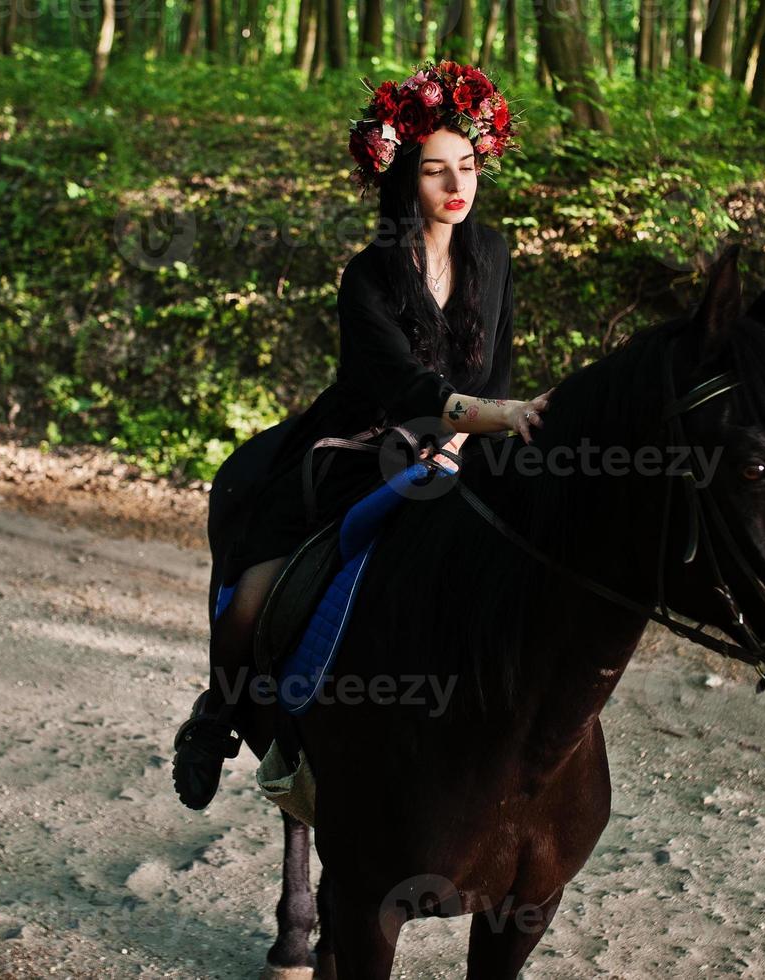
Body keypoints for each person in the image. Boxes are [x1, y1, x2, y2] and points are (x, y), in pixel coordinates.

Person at [172, 60, 553, 810]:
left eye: (467, 168)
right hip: (362, 441)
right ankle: (216, 714)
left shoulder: (495, 257)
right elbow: (404, 389)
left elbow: (497, 373)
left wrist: (477, 435)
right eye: (436, 172)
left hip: (465, 442)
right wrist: (484, 419)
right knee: (251, 593)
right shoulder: (370, 274)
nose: (456, 187)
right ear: (403, 179)